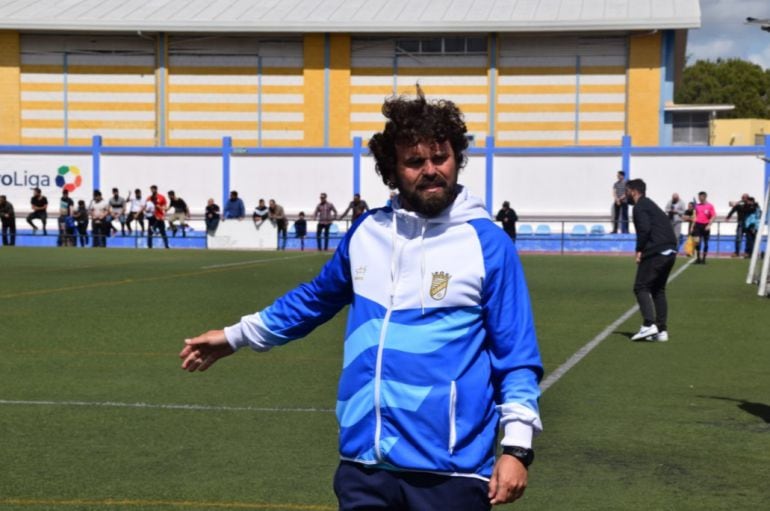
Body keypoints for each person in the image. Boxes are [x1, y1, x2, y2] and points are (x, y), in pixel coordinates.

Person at [179, 89, 543, 510]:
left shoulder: (488, 244)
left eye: (440, 158)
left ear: (456, 159)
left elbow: (515, 355)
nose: (430, 170)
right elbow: (314, 300)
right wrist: (235, 336)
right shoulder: (367, 232)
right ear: (392, 170)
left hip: (451, 471)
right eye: (414, 162)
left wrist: (517, 449)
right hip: (363, 466)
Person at [625, 179, 678, 342]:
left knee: (640, 286)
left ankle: (649, 325)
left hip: (657, 251)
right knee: (658, 290)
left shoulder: (639, 207)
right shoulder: (650, 205)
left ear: (633, 191)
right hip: (670, 250)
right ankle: (661, 331)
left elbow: (645, 229)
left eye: (627, 191)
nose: (625, 195)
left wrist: (639, 250)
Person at [692, 191, 716, 264]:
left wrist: (709, 225)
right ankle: (698, 258)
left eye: (701, 196)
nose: (699, 198)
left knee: (706, 243)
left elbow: (713, 216)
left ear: (705, 197)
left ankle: (704, 259)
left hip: (705, 225)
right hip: (698, 225)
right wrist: (693, 226)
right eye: (699, 197)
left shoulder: (710, 206)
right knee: (697, 241)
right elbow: (695, 216)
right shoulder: (697, 206)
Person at [726, 193, 750, 257]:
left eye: (745, 197)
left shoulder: (750, 204)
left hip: (748, 224)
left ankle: (747, 252)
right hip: (740, 223)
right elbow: (733, 210)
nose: (744, 199)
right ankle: (737, 252)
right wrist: (728, 217)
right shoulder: (739, 204)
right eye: (743, 197)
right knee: (738, 238)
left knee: (748, 239)